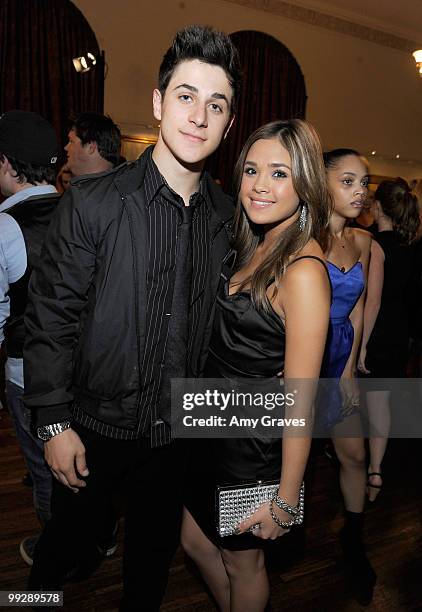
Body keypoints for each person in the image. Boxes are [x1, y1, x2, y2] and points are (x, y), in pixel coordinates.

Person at [24, 25, 241, 611]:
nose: (199, 115)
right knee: (56, 555)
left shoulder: (228, 219)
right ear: (158, 102)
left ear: (226, 121)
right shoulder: (94, 201)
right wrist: (52, 422)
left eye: (215, 104)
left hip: (177, 439)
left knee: (149, 569)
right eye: (186, 96)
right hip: (93, 428)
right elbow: (51, 317)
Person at [181, 119, 331, 612]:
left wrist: (288, 498)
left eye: (279, 173)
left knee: (242, 564)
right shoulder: (253, 243)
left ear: (305, 183)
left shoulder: (304, 272)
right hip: (210, 425)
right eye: (251, 170)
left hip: (251, 448)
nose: (259, 185)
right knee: (196, 541)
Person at [0, 110, 60, 562]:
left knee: (44, 469)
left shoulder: (5, 226)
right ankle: (94, 535)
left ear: (7, 164)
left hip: (29, 373)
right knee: (79, 465)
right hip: (84, 369)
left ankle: (55, 552)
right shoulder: (80, 209)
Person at [321, 148, 375, 604]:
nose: (360, 191)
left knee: (354, 455)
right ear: (322, 183)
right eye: (348, 181)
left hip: (337, 356)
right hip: (298, 359)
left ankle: (354, 539)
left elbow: (356, 310)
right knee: (284, 460)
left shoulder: (362, 243)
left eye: (364, 182)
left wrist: (350, 370)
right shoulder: (297, 236)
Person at [358, 178, 420, 500]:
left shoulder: (374, 244)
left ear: (378, 206)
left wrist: (362, 346)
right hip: (400, 330)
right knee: (382, 404)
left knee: (360, 403)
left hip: (377, 329)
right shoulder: (410, 244)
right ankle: (376, 470)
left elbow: (373, 300)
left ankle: (357, 465)